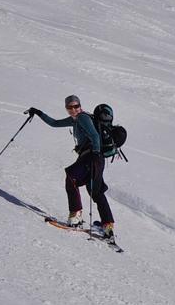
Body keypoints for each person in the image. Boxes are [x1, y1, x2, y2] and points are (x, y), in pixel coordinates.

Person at [26, 94, 114, 240]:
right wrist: (39, 112)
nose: (73, 109)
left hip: (91, 156)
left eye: (76, 106)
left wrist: (95, 153)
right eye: (69, 107)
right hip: (95, 158)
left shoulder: (82, 118)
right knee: (96, 191)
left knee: (71, 176)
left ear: (80, 105)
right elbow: (54, 123)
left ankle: (75, 216)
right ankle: (108, 226)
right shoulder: (75, 119)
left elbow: (95, 136)